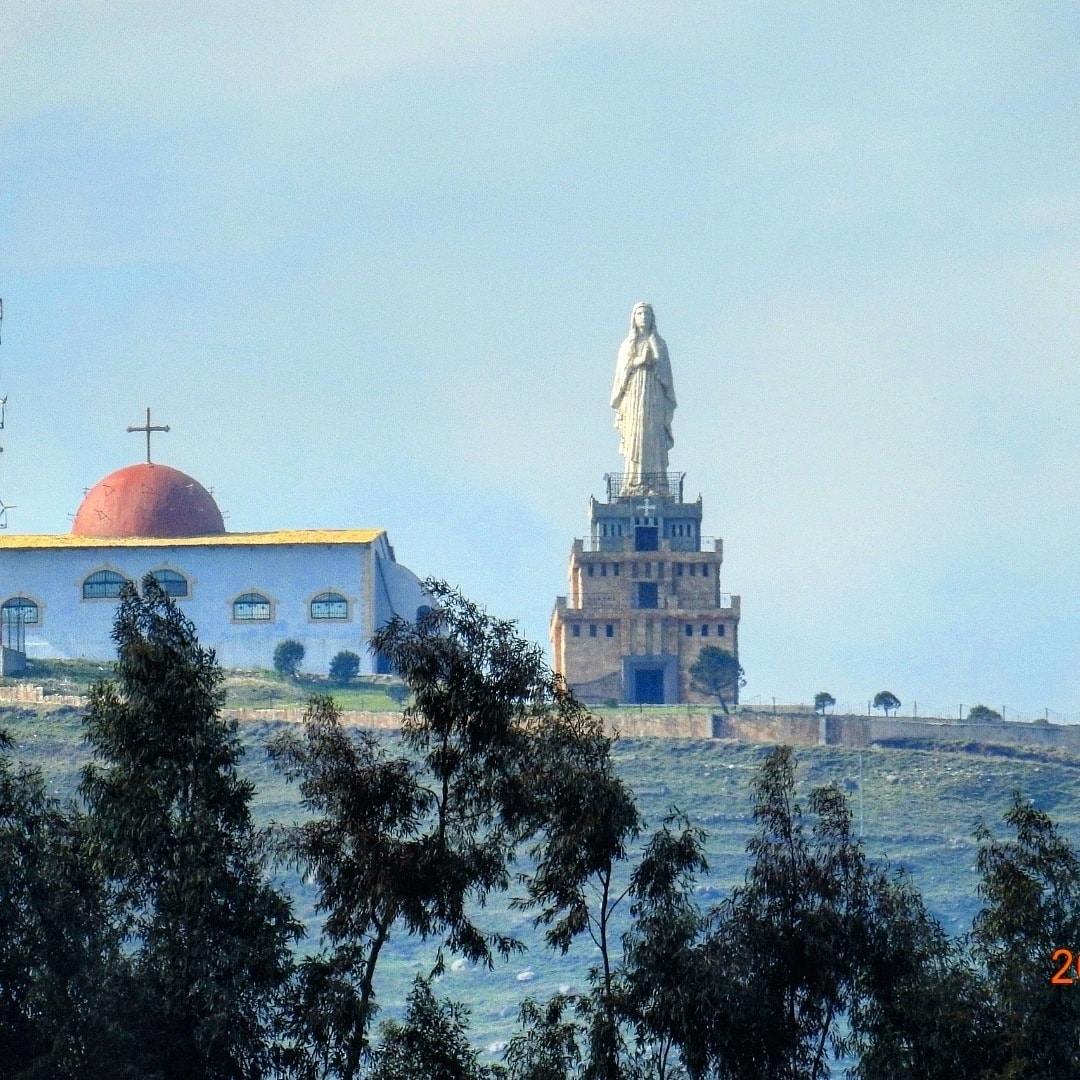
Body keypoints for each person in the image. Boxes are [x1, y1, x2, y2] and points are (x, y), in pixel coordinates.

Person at [610, 301, 676, 494]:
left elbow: (666, 374)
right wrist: (639, 361)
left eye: (647, 314)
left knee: (653, 433)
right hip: (634, 395)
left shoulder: (660, 344)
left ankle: (657, 482)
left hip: (654, 394)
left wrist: (653, 360)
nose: (644, 317)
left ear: (652, 318)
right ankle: (634, 481)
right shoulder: (628, 345)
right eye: (640, 314)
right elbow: (622, 373)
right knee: (636, 434)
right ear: (634, 318)